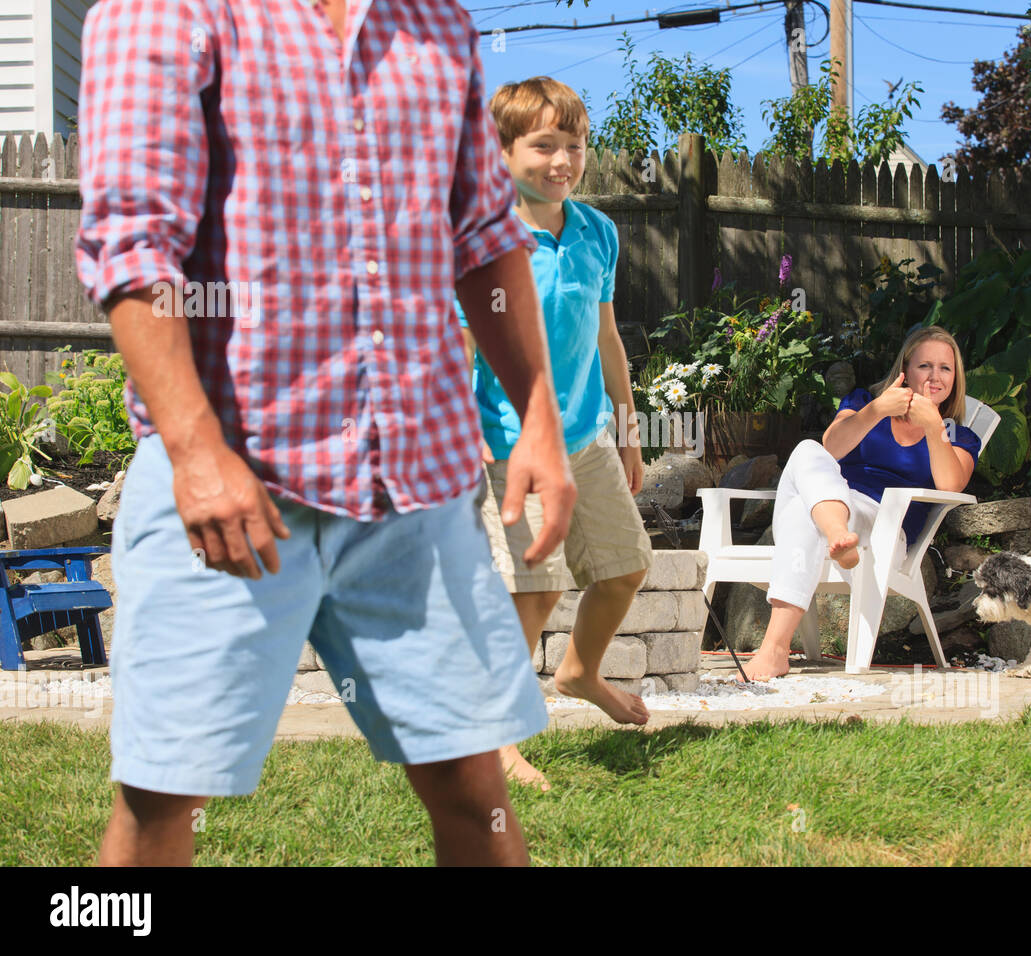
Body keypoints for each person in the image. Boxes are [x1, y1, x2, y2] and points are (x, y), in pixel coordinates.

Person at [75, 0, 575, 866]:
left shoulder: (436, 24)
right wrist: (194, 453)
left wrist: (539, 420)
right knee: (163, 796)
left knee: (473, 787)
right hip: (234, 483)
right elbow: (133, 248)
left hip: (417, 486)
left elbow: (483, 237)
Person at [456, 77, 654, 791]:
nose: (562, 160)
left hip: (587, 437)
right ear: (503, 151)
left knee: (626, 565)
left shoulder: (598, 232)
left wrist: (629, 433)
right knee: (533, 591)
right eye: (543, 145)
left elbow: (607, 342)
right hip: (510, 443)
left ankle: (579, 672)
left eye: (573, 145)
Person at [743, 327, 982, 681]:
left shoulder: (959, 435)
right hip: (840, 507)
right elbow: (832, 447)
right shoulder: (861, 402)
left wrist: (934, 428)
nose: (934, 376)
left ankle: (774, 650)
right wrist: (875, 411)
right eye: (925, 366)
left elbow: (951, 483)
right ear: (905, 369)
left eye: (945, 369)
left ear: (955, 378)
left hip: (885, 526)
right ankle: (836, 532)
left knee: (802, 512)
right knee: (808, 450)